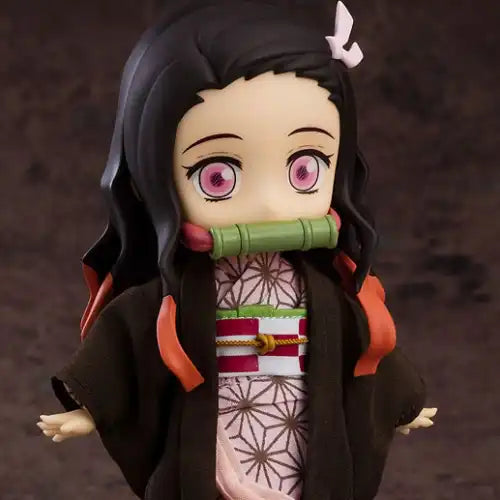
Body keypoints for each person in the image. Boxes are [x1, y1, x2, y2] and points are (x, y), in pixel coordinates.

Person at [37, 1, 437, 499]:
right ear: (156, 173)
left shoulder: (326, 292)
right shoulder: (175, 298)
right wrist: (92, 407)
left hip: (300, 430)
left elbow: (363, 343)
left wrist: (399, 404)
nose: (269, 204)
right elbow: (126, 340)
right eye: (218, 176)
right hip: (219, 435)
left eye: (305, 168)